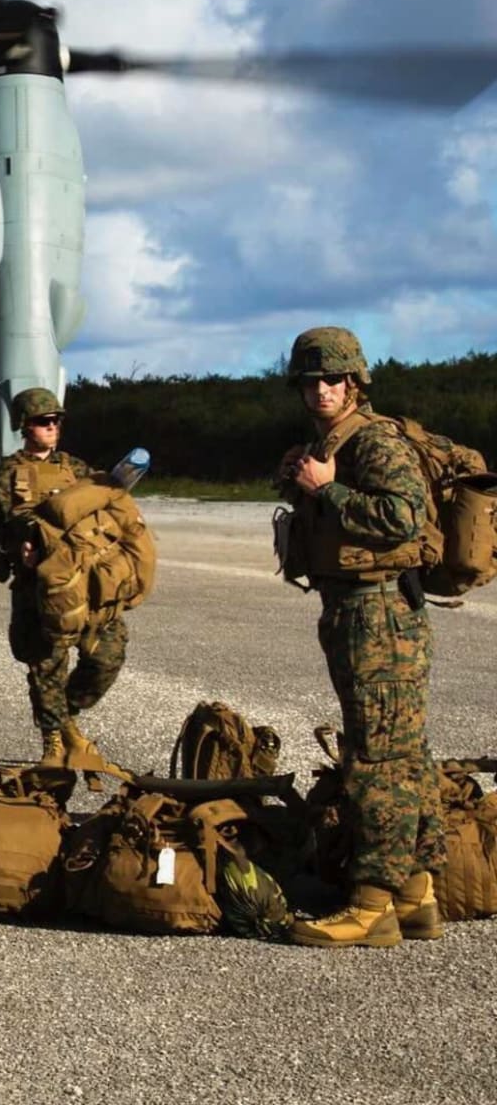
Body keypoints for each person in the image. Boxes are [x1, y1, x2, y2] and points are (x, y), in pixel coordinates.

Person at [276, 327, 446, 948]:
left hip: (380, 616)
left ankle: (372, 902)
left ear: (354, 383)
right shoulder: (332, 442)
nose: (319, 390)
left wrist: (329, 489)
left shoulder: (375, 441)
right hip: (353, 611)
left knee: (377, 761)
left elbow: (403, 515)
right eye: (309, 381)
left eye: (331, 380)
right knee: (403, 755)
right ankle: (416, 892)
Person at [0, 387, 122, 770]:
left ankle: (67, 714)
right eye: (44, 421)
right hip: (38, 587)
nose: (53, 426)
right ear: (25, 426)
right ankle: (54, 742)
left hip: (86, 582)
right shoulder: (6, 475)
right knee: (45, 665)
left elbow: (105, 508)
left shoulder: (78, 469)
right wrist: (10, 551)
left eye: (57, 420)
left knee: (107, 656)